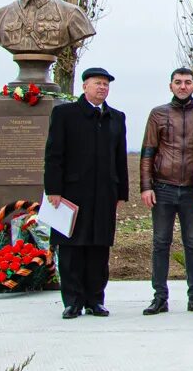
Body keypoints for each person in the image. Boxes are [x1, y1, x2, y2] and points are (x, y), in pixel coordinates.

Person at [43, 67, 127, 319]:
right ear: (84, 87)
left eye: (106, 84)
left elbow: (119, 157)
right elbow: (54, 154)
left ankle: (95, 299)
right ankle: (72, 300)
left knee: (99, 248)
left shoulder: (116, 117)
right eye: (97, 83)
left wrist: (121, 191)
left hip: (104, 194)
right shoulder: (64, 114)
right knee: (71, 248)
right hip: (72, 193)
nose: (102, 88)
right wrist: (53, 189)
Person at [140, 67, 193, 316]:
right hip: (163, 188)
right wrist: (146, 186)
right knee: (161, 243)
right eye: (178, 82)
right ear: (170, 86)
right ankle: (159, 297)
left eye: (187, 82)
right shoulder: (158, 114)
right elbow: (148, 151)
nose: (183, 86)